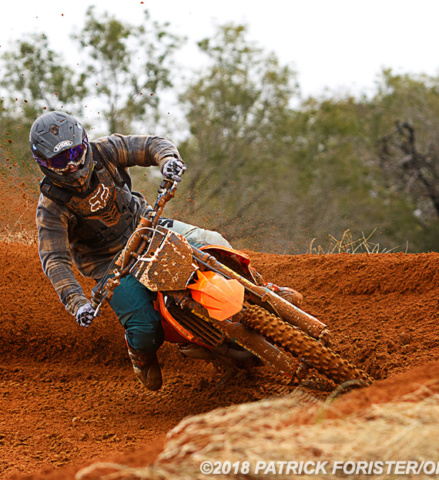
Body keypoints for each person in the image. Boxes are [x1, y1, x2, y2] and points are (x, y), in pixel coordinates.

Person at [30, 111, 300, 391]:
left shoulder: (105, 151)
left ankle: (261, 288)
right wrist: (77, 302)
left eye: (74, 153)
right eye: (61, 161)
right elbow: (55, 259)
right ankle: (140, 355)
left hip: (148, 227)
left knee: (214, 241)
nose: (72, 165)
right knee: (144, 328)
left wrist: (168, 159)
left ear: (84, 144)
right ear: (45, 165)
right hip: (111, 264)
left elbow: (149, 145)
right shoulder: (51, 206)